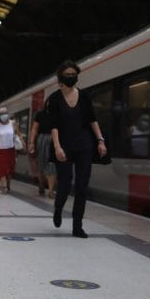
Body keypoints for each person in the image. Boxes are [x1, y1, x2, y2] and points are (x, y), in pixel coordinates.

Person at [48, 60, 107, 238]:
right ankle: (58, 209)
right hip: (63, 146)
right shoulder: (55, 99)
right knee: (65, 185)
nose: (71, 77)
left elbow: (92, 120)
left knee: (82, 186)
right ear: (61, 77)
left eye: (73, 74)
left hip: (84, 145)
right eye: (67, 75)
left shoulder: (85, 96)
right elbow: (54, 126)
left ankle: (77, 226)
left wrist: (100, 140)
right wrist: (57, 147)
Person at [0, 107, 24, 194]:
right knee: (1, 169)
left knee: (9, 170)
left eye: (5, 113)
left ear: (8, 114)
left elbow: (19, 135)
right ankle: (4, 187)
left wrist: (23, 142)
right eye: (1, 114)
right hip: (0, 150)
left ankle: (8, 183)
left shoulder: (13, 124)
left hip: (11, 150)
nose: (3, 115)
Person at [29, 101, 57, 198]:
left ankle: (50, 190)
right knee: (41, 165)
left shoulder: (59, 113)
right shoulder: (40, 114)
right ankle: (41, 186)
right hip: (42, 140)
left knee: (52, 165)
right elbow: (35, 128)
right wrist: (32, 143)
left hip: (54, 140)